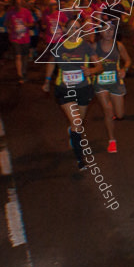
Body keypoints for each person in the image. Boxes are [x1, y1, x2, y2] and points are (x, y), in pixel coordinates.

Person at [42, 16, 103, 173]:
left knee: (78, 123)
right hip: (64, 88)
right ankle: (80, 159)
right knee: (77, 122)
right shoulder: (59, 46)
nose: (74, 31)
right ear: (65, 31)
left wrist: (91, 70)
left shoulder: (86, 46)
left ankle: (73, 132)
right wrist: (47, 80)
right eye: (70, 28)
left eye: (76, 28)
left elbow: (99, 66)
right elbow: (51, 63)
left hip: (83, 88)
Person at [93, 18, 131, 153]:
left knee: (119, 114)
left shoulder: (118, 45)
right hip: (100, 83)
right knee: (108, 112)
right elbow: (87, 62)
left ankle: (114, 116)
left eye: (112, 30)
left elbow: (127, 60)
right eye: (106, 29)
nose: (109, 32)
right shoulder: (94, 47)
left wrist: (124, 70)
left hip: (116, 83)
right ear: (100, 31)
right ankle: (111, 140)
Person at [5, 0, 35, 84]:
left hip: (25, 38)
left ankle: (24, 71)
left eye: (19, 3)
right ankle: (20, 75)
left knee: (25, 56)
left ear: (22, 3)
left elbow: (32, 24)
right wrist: (9, 25)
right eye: (16, 3)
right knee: (18, 56)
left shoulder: (26, 12)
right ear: (14, 4)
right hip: (15, 38)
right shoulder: (10, 13)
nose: (18, 5)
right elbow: (6, 23)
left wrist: (27, 24)